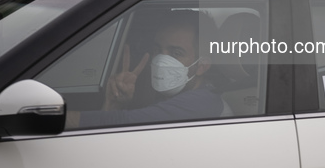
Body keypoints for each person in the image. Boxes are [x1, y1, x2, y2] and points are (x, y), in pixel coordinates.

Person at [66, 10, 224, 129]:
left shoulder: (203, 103)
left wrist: (51, 119)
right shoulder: (174, 98)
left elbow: (123, 123)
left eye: (176, 53)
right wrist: (114, 105)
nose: (161, 61)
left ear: (202, 66)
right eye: (158, 50)